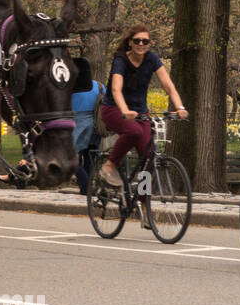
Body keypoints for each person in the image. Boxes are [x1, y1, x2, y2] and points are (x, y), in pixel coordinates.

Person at [97, 26, 188, 187]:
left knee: (149, 160)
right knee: (134, 131)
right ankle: (109, 165)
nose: (141, 44)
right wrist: (124, 110)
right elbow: (116, 89)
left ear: (149, 43)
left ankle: (142, 204)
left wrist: (179, 107)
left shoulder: (152, 59)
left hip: (140, 112)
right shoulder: (121, 60)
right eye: (137, 40)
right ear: (130, 43)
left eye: (145, 41)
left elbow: (168, 85)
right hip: (113, 109)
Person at [72, 73, 106, 194]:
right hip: (96, 123)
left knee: (69, 156)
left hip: (78, 124)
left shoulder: (72, 86)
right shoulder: (99, 85)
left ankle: (86, 184)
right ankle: (86, 188)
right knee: (90, 156)